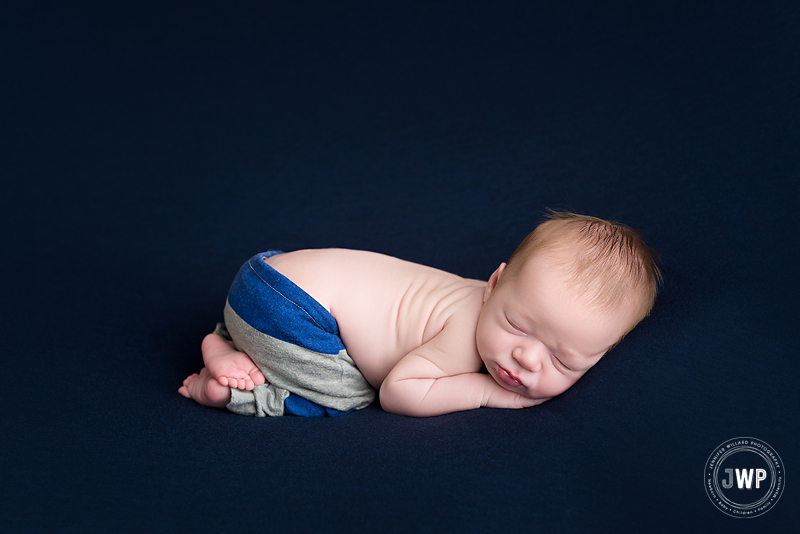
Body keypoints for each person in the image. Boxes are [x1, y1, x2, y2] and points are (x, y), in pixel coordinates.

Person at [179, 211, 661, 417]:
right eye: (518, 326)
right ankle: (231, 390)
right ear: (493, 285)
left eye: (564, 362)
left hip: (263, 275)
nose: (525, 359)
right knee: (351, 393)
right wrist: (488, 395)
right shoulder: (462, 331)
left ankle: (224, 339)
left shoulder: (485, 296)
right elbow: (398, 393)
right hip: (295, 311)